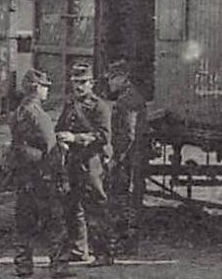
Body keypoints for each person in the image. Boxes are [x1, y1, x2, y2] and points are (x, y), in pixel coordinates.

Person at [9, 69, 68, 277]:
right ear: (37, 89)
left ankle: (23, 265)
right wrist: (59, 174)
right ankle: (58, 265)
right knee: (54, 221)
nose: (47, 91)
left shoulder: (19, 111)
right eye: (45, 87)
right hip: (41, 175)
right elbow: (50, 147)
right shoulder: (38, 114)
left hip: (24, 174)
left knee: (24, 221)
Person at [55, 62, 114, 267]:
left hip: (91, 162)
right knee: (73, 207)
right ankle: (79, 250)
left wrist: (75, 137)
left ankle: (104, 253)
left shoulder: (100, 107)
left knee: (95, 207)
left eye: (83, 82)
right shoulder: (70, 104)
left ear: (91, 83)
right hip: (73, 161)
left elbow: (103, 136)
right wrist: (61, 138)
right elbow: (60, 126)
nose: (79, 87)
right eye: (75, 82)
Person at [104, 60, 151, 256]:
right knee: (128, 198)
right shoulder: (129, 97)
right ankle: (126, 242)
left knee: (126, 199)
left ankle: (127, 243)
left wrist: (116, 158)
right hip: (133, 157)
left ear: (123, 77)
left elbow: (129, 135)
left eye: (112, 79)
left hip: (130, 159)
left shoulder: (128, 100)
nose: (109, 83)